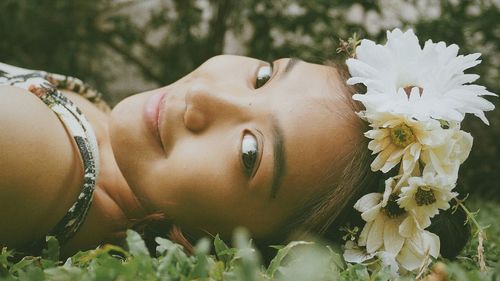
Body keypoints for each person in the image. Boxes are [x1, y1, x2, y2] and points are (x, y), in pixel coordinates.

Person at [0, 29, 485, 271]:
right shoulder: (103, 150)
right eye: (263, 76)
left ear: (245, 246)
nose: (205, 98)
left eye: (249, 152)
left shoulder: (32, 155)